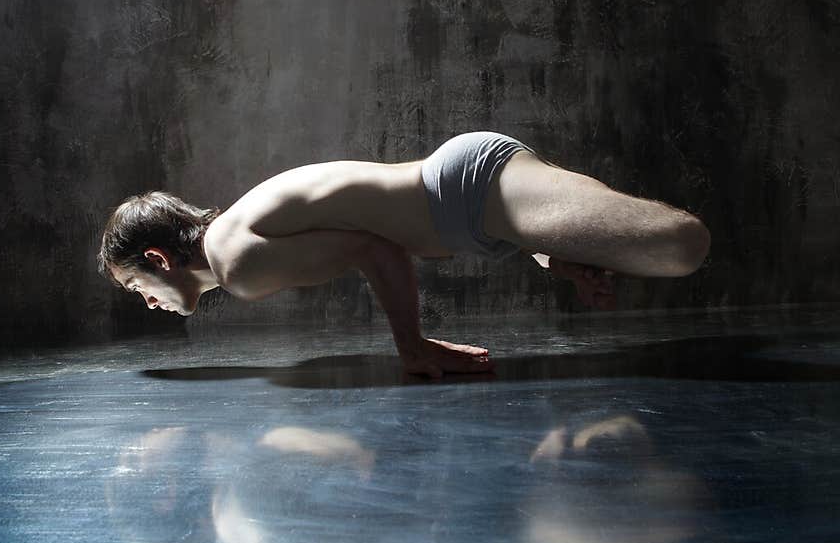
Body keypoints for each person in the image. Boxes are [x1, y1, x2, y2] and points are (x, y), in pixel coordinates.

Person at [97, 130, 710, 380]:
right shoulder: (236, 236)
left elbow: (376, 245)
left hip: (471, 191)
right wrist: (545, 249)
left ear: (160, 257)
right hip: (479, 212)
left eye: (136, 286)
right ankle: (558, 249)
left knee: (681, 248)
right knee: (604, 251)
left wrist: (412, 345)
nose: (146, 302)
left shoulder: (237, 262)